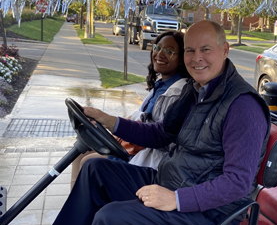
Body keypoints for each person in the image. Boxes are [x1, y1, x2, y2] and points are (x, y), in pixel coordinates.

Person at [39, 20, 270, 225]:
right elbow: (161, 134)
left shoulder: (243, 106)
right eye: (190, 50)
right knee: (95, 170)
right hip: (171, 183)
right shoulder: (196, 90)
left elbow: (238, 183)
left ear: (225, 49)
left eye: (205, 49)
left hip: (208, 216)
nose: (196, 58)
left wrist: (176, 200)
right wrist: (110, 121)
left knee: (111, 219)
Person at [70, 31, 190, 188]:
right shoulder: (161, 85)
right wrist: (104, 123)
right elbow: (137, 117)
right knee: (80, 152)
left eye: (169, 51)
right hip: (136, 148)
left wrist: (113, 124)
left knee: (89, 162)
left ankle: (85, 206)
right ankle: (76, 201)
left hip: (150, 160)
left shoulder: (177, 93)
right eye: (157, 48)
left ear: (181, 59)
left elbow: (156, 135)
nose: (160, 54)